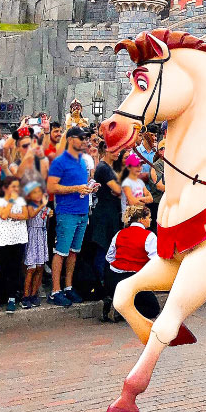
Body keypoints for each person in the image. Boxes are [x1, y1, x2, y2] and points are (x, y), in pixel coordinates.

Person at [46, 125, 94, 306]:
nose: (84, 141)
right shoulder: (60, 161)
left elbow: (81, 182)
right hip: (67, 212)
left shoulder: (82, 160)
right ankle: (55, 290)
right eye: (81, 138)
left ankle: (68, 287)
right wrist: (76, 188)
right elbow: (51, 187)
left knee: (74, 252)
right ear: (71, 139)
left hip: (82, 210)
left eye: (85, 138)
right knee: (61, 252)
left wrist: (89, 186)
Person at [101, 204, 160, 322]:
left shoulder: (120, 233)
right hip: (133, 280)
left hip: (114, 279)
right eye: (149, 218)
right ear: (141, 219)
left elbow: (109, 257)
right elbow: (156, 261)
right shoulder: (149, 236)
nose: (150, 220)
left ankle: (116, 304)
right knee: (153, 309)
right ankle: (121, 311)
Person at [0, 174, 30, 313]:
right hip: (3, 239)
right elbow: (2, 214)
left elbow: (25, 215)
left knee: (14, 268)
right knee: (0, 269)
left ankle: (12, 298)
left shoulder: (22, 200)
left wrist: (11, 215)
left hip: (18, 238)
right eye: (13, 187)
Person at [88, 147, 124, 293]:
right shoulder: (103, 167)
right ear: (107, 150)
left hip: (111, 214)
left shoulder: (110, 167)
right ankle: (101, 283)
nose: (118, 153)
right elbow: (119, 190)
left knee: (109, 249)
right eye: (115, 150)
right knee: (103, 249)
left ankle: (106, 282)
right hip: (104, 215)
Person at [21, 181, 51, 307]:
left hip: (42, 236)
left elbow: (46, 223)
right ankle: (25, 295)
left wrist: (48, 215)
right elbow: (31, 215)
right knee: (31, 268)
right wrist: (42, 206)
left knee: (40, 266)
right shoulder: (29, 205)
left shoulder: (45, 207)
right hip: (32, 235)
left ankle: (34, 294)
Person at [120, 154, 152, 218]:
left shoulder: (140, 182)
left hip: (139, 217)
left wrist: (139, 199)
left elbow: (151, 199)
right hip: (129, 218)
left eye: (141, 165)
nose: (140, 168)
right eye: (136, 165)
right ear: (129, 167)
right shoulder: (126, 183)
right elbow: (132, 202)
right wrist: (144, 201)